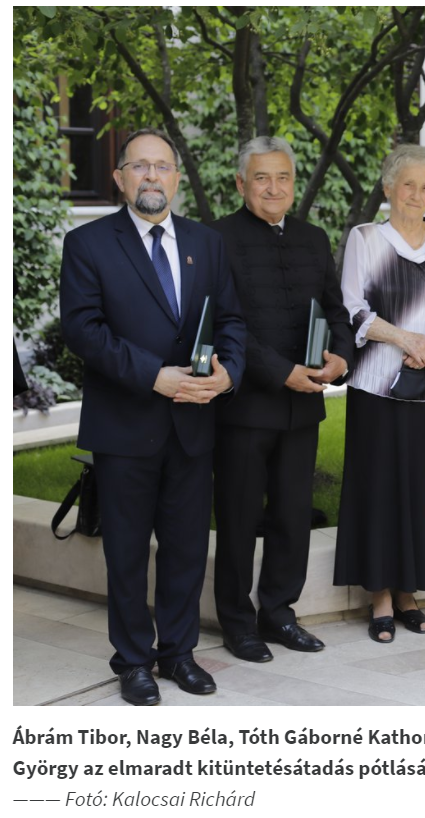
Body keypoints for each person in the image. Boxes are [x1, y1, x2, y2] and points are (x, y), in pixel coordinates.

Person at [60, 128, 245, 704]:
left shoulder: (206, 243)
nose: (152, 176)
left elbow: (231, 321)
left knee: (187, 549)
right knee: (127, 554)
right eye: (140, 166)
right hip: (124, 427)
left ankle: (178, 654)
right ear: (120, 178)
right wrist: (153, 375)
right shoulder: (88, 243)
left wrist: (229, 374)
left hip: (193, 425)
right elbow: (83, 331)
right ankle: (134, 660)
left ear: (176, 178)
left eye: (162, 166)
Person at [210, 136, 353, 662]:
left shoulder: (313, 238)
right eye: (262, 178)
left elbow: (336, 310)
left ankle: (278, 612)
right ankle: (237, 622)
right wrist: (281, 372)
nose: (274, 188)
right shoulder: (215, 239)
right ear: (240, 183)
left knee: (293, 516)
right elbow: (224, 324)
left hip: (302, 407)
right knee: (239, 519)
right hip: (245, 407)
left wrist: (341, 357)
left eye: (283, 178)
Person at [333, 145, 425, 644]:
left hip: (424, 387)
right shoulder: (365, 237)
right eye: (408, 184)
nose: (416, 194)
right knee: (375, 488)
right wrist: (407, 339)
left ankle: (408, 592)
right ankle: (380, 597)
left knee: (413, 489)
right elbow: (354, 309)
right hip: (374, 385)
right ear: (388, 187)